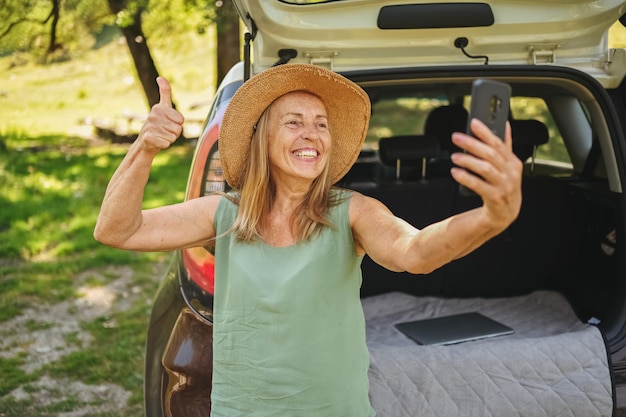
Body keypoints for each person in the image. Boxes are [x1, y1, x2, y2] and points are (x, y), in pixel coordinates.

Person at [94, 63, 522, 416]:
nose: (311, 134)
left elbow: (415, 252)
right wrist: (145, 147)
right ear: (264, 138)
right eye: (294, 122)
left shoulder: (354, 211)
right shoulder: (225, 212)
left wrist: (490, 217)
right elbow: (116, 229)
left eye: (321, 124)